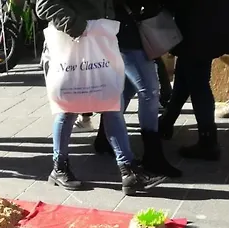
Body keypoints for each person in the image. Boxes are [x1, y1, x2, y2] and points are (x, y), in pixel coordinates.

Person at [36, 0, 167, 195]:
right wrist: (76, 26)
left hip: (99, 41)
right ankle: (59, 167)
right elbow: (44, 5)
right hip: (74, 42)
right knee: (69, 108)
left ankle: (129, 171)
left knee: (111, 103)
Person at [94, 0, 181, 178]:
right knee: (149, 91)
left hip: (131, 28)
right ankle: (152, 155)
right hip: (129, 31)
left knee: (128, 88)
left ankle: (104, 138)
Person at [158, 0, 229, 161]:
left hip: (197, 30)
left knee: (198, 84)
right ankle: (166, 123)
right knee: (185, 77)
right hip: (210, 27)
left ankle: (208, 140)